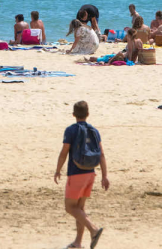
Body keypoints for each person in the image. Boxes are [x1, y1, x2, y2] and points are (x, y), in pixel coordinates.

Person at [54, 101, 108, 249]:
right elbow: (102, 154)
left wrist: (58, 170)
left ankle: (93, 229)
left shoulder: (71, 130)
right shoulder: (94, 131)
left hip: (76, 173)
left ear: (73, 114)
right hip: (90, 172)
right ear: (87, 114)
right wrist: (104, 176)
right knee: (80, 209)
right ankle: (78, 243)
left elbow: (64, 152)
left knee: (70, 207)